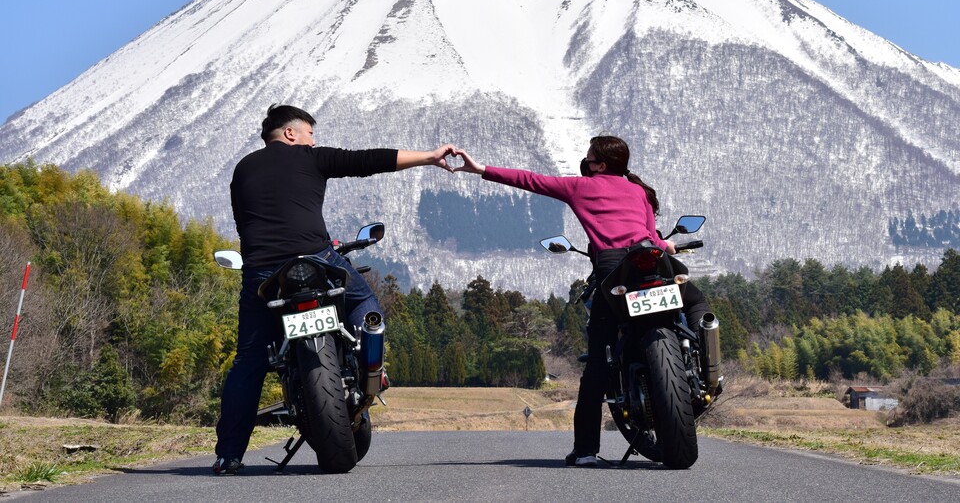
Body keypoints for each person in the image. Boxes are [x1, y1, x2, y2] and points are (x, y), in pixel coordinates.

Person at [213, 104, 455, 475]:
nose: (313, 140)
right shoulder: (309, 157)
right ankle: (371, 367)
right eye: (310, 133)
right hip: (315, 256)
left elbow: (243, 224)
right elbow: (368, 160)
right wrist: (428, 156)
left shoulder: (243, 168)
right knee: (366, 303)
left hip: (263, 271)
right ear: (290, 134)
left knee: (249, 361)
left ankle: (229, 455)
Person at [453, 135, 710, 467]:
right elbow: (650, 234)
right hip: (652, 258)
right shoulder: (640, 191)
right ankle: (706, 362)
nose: (585, 161)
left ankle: (586, 450)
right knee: (696, 299)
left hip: (614, 268)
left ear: (600, 164)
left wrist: (480, 169)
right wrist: (664, 244)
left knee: (598, 367)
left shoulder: (581, 187)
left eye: (589, 157)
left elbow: (531, 181)